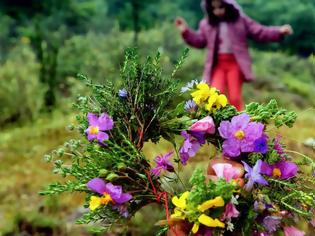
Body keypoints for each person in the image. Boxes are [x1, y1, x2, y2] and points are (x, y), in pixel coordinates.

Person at [175, 0, 293, 111]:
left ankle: (237, 124)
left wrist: (279, 32)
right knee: (214, 94)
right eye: (214, 8)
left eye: (221, 7)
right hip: (217, 64)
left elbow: (259, 31)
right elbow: (199, 41)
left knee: (235, 97)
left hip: (235, 63)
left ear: (228, 5)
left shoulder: (240, 20)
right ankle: (214, 125)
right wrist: (185, 31)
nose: (218, 11)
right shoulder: (207, 24)